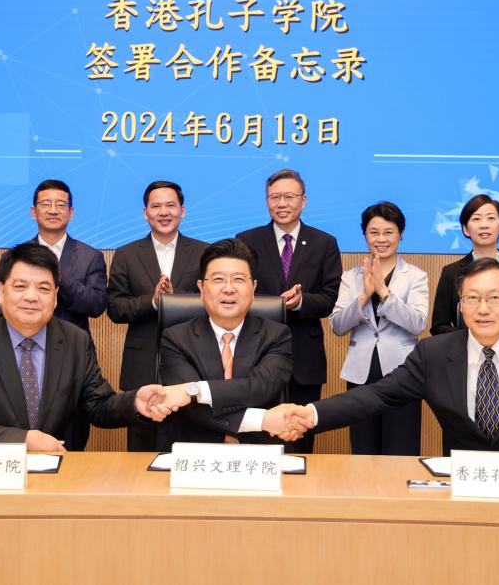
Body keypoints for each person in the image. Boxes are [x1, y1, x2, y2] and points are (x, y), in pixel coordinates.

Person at [267, 258, 499, 470]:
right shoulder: (435, 354)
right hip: (464, 484)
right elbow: (376, 395)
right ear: (461, 305)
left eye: (494, 298)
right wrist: (310, 414)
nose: (483, 309)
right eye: (472, 298)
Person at [0, 243, 170, 449]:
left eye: (43, 288)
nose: (32, 297)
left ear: (55, 296)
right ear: (1, 291)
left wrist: (134, 403)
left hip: (55, 473)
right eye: (20, 286)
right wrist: (22, 440)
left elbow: (98, 406)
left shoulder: (75, 341)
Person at [236, 168, 341, 453]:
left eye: (289, 197)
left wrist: (302, 301)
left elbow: (330, 298)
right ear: (266, 201)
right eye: (274, 197)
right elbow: (237, 293)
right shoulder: (246, 240)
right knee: (257, 436)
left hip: (304, 358)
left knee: (299, 438)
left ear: (303, 200)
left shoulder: (324, 243)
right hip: (255, 354)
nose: (281, 204)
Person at [157, 238, 293, 447]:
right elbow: (190, 408)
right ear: (201, 288)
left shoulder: (276, 335)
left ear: (253, 287)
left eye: (238, 279)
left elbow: (260, 389)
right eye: (218, 279)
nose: (228, 289)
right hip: (195, 451)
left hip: (259, 452)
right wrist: (262, 420)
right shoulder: (175, 338)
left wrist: (196, 391)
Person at [107, 180, 207, 451]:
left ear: (182, 210)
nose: (164, 212)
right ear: (145, 212)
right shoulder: (126, 254)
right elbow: (115, 308)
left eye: (170, 205)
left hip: (192, 360)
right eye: (156, 206)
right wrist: (152, 302)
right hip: (143, 363)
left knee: (191, 440)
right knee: (141, 445)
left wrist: (176, 301)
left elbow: (213, 303)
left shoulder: (203, 252)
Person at [329, 202, 428, 455]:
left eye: (389, 232)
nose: (381, 239)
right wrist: (364, 295)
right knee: (363, 449)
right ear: (365, 235)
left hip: (403, 372)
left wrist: (384, 292)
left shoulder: (415, 276)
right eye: (374, 232)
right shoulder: (350, 277)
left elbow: (417, 323)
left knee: (401, 449)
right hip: (361, 371)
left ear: (400, 234)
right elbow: (337, 325)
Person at [27, 179, 107, 451]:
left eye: (60, 205)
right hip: (25, 354)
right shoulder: (17, 257)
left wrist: (59, 277)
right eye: (45, 204)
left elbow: (96, 304)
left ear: (71, 212)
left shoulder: (90, 256)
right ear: (33, 211)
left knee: (73, 438)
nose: (53, 210)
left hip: (73, 358)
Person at [430, 193, 499, 335]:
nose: (484, 225)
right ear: (466, 229)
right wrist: (472, 340)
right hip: (464, 347)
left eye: (491, 218)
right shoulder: (450, 272)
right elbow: (439, 325)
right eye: (476, 219)